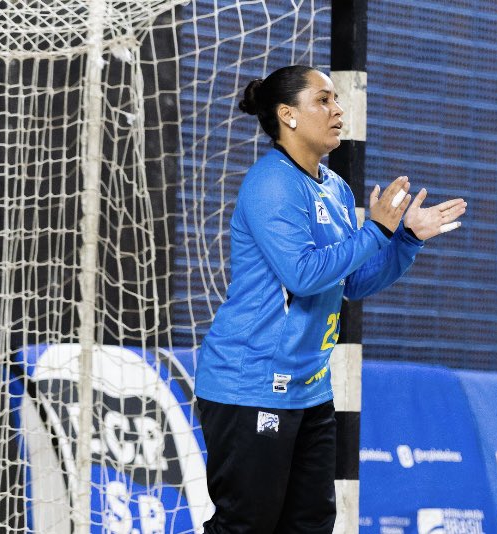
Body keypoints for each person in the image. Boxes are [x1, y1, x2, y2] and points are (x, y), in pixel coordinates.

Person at [194, 65, 466, 533]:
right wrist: (376, 229)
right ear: (288, 115)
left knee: (311, 525)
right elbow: (302, 275)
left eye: (337, 99)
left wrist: (404, 241)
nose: (339, 110)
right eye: (323, 100)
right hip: (252, 382)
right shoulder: (271, 183)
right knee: (246, 525)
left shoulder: (336, 188)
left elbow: (350, 281)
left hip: (310, 388)